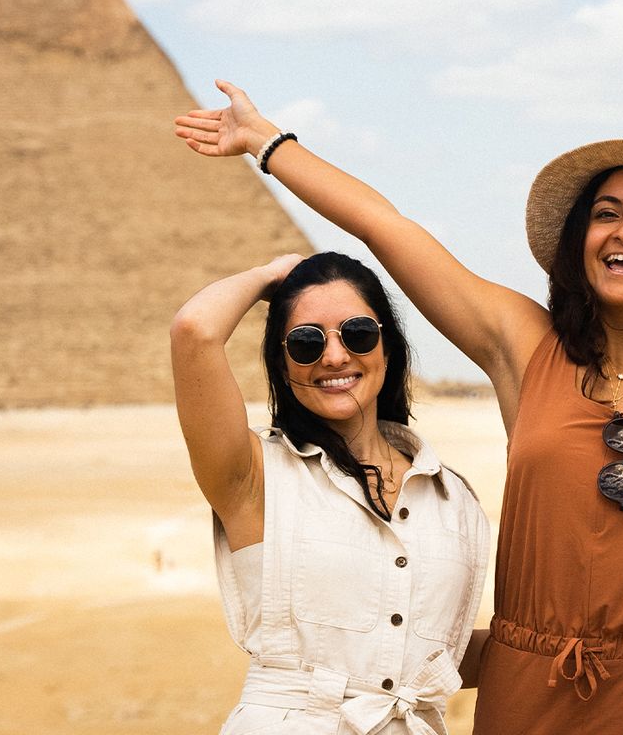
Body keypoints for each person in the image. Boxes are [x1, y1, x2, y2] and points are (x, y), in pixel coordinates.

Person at [175, 81, 623, 734]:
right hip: (529, 691)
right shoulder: (524, 346)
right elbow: (387, 227)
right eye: (606, 213)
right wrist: (266, 143)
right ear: (581, 242)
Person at [170, 250, 490, 734]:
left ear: (389, 345)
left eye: (358, 333)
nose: (335, 356)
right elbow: (194, 330)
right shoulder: (253, 475)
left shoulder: (455, 499)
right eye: (305, 342)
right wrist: (271, 276)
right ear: (281, 362)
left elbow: (436, 658)